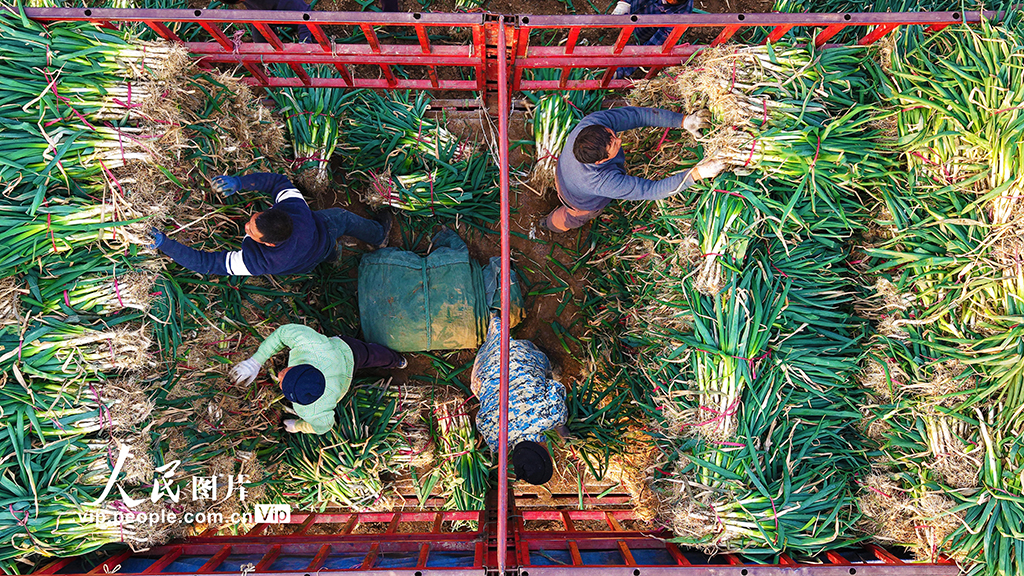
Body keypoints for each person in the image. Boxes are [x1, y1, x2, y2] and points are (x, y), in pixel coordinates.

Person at [149, 172, 392, 276]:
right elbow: (277, 182)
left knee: (326, 247)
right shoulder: (296, 210)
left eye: (251, 232)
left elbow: (206, 263)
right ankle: (374, 236)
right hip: (320, 232)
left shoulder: (260, 261)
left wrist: (165, 244)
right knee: (342, 219)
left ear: (270, 244)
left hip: (307, 254)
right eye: (253, 221)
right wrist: (239, 183)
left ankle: (365, 241)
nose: (246, 226)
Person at [543, 106, 728, 233]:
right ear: (600, 162)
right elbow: (652, 190)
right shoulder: (602, 182)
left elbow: (638, 116)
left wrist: (683, 121)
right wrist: (697, 173)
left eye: (613, 134)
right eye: (614, 144)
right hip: (577, 201)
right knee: (571, 219)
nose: (619, 140)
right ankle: (548, 224)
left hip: (563, 172)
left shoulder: (594, 123)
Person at [229, 324, 407, 434]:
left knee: (370, 355)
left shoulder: (312, 410)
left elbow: (324, 427)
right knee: (371, 354)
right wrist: (255, 361)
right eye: (286, 373)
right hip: (343, 351)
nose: (280, 374)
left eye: (282, 380)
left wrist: (298, 426)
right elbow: (283, 333)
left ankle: (395, 359)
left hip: (348, 356)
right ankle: (395, 360)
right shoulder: (311, 345)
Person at [472, 313, 567, 486]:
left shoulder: (551, 416)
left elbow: (556, 388)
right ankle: (494, 326)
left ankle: (550, 364)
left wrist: (561, 427)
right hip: (483, 366)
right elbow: (481, 419)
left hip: (519, 353)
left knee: (547, 374)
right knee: (481, 391)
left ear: (546, 451)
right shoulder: (495, 439)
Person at [611, 0, 694, 78]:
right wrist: (625, 3)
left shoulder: (677, 20)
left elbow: (649, 50)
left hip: (644, 33)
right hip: (637, 9)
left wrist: (621, 70)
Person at [220, 0, 315, 43]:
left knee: (311, 32)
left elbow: (305, 16)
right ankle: (273, 64)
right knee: (261, 44)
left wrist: (304, 44)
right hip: (263, 16)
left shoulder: (288, 4)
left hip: (286, 13)